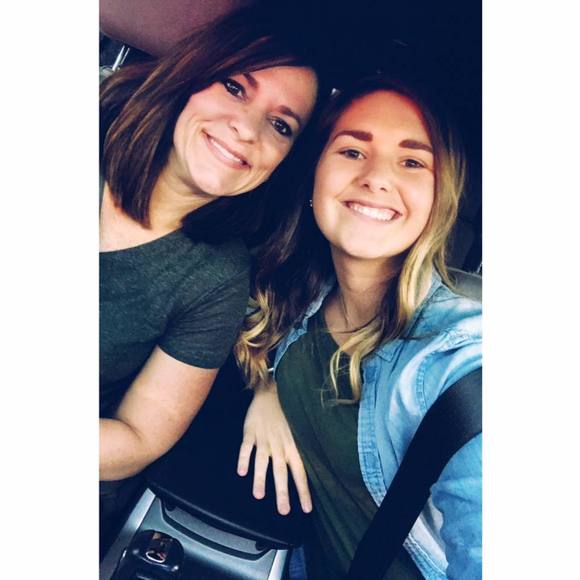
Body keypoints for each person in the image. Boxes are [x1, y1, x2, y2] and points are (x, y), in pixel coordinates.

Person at [235, 75, 482, 578]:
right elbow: (251, 326)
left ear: (441, 197)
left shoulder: (457, 362)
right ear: (314, 177)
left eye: (412, 162)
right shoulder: (301, 294)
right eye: (352, 151)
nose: (377, 178)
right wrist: (267, 386)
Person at [99, 3, 322, 539]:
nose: (246, 129)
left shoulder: (215, 277)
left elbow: (138, 437)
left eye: (281, 125)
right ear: (191, 77)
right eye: (235, 87)